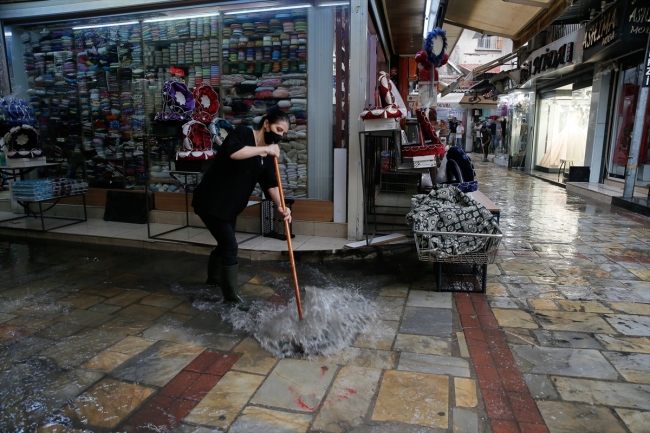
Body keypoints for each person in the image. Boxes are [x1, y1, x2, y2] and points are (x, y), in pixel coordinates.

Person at [191, 109, 292, 310]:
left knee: (224, 244)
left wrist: (281, 206)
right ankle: (231, 298)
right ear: (266, 124)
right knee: (230, 247)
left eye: (283, 133)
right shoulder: (244, 133)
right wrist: (265, 150)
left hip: (230, 206)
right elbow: (234, 152)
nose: (279, 135)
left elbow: (270, 183)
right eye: (278, 129)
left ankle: (214, 279)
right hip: (211, 201)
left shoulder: (266, 156)